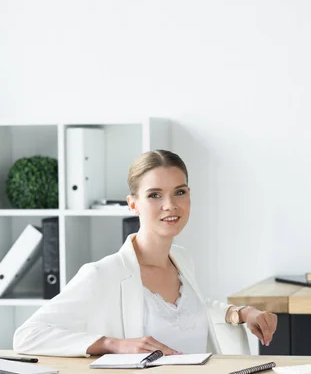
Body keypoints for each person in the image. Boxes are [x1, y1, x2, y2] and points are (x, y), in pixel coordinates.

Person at [13, 150, 277, 356]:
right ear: (133, 204)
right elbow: (27, 335)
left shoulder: (182, 259)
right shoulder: (104, 274)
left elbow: (187, 313)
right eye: (154, 195)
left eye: (179, 192)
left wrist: (240, 313)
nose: (170, 205)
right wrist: (112, 344)